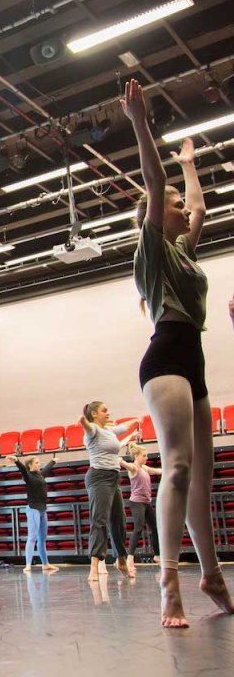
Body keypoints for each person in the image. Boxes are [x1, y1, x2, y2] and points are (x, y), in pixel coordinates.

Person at [123, 77, 234, 626]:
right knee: (179, 466)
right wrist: (141, 122)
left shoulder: (185, 252)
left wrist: (191, 165)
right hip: (165, 357)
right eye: (174, 207)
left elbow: (200, 209)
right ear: (155, 214)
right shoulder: (152, 250)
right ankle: (168, 582)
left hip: (195, 358)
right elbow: (153, 180)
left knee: (202, 479)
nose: (183, 211)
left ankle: (211, 572)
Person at [79, 403, 138, 582]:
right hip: (98, 477)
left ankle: (121, 560)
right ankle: (94, 567)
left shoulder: (109, 430)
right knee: (100, 521)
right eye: (104, 410)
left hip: (113, 478)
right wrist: (83, 421)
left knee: (119, 521)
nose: (108, 412)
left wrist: (135, 421)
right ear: (94, 414)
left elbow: (124, 427)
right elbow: (88, 427)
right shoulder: (94, 430)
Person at [5, 454, 59, 573]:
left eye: (39, 463)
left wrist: (53, 462)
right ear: (30, 465)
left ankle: (45, 564)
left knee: (42, 538)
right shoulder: (28, 476)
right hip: (33, 508)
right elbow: (23, 470)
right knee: (32, 537)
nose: (39, 465)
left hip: (42, 509)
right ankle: (28, 564)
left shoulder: (40, 475)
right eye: (36, 463)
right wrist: (17, 461)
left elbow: (46, 469)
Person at [119, 442, 161, 575]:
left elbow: (159, 471)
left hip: (147, 503)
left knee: (155, 528)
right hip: (137, 503)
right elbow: (125, 464)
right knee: (138, 528)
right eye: (144, 455)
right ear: (136, 456)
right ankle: (130, 558)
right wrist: (119, 459)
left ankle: (157, 555)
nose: (146, 458)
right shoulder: (134, 468)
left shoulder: (145, 468)